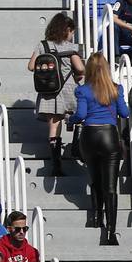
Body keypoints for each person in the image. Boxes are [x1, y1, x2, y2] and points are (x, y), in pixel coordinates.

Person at [70, 51, 128, 245]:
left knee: (95, 179)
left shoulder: (83, 90)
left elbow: (81, 114)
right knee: (111, 187)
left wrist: (70, 119)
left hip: (89, 135)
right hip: (109, 136)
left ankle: (96, 219)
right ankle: (111, 232)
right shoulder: (116, 89)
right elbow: (124, 112)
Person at [30, 13, 83, 177]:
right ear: (67, 30)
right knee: (80, 117)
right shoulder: (71, 47)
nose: (72, 35)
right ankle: (76, 147)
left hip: (49, 91)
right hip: (67, 89)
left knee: (54, 126)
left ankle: (56, 165)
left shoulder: (42, 45)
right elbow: (80, 69)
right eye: (72, 31)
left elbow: (31, 66)